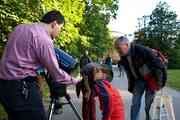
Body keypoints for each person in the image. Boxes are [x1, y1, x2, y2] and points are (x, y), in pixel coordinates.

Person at [0, 10, 80, 120]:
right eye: (61, 28)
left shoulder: (20, 28)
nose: (60, 32)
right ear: (54, 24)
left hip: (4, 85)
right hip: (22, 89)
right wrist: (75, 80)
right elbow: (56, 73)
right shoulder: (44, 39)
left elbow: (23, 58)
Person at [114, 36, 167, 120]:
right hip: (139, 81)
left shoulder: (142, 50)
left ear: (127, 45)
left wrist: (160, 84)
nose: (118, 50)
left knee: (148, 105)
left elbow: (160, 66)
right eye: (116, 48)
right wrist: (131, 87)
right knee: (135, 103)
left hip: (152, 81)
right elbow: (129, 74)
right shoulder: (123, 58)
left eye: (119, 48)